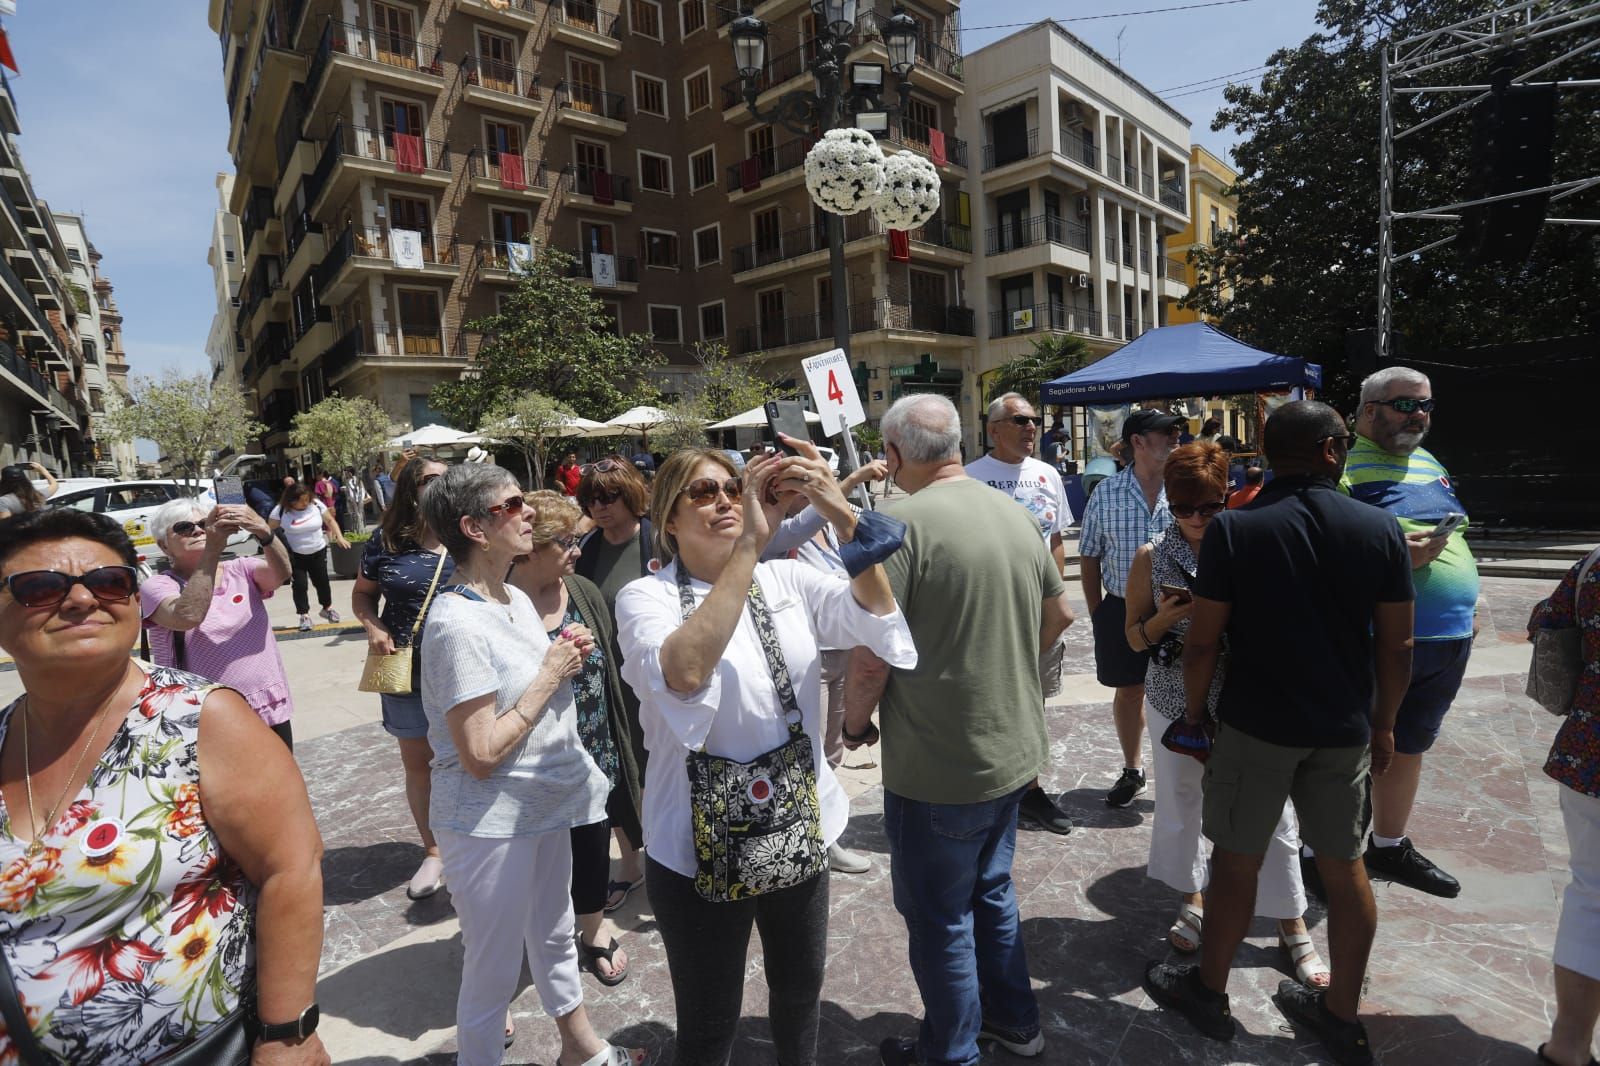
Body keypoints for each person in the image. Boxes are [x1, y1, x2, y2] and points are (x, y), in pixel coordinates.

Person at [615, 445, 914, 1066]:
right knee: (707, 1021)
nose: (724, 500)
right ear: (668, 519)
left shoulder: (788, 580)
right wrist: (752, 543)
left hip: (795, 824)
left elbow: (876, 616)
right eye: (703, 492)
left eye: (731, 487)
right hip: (692, 847)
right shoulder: (643, 598)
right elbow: (686, 671)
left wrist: (842, 514)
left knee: (800, 994)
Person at [0, 508, 329, 1064]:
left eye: (108, 582)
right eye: (40, 588)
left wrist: (287, 1035)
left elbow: (291, 868)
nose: (82, 600)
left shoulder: (203, 718)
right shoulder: (159, 585)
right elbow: (186, 613)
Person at [1142, 401, 1413, 1065]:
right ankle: (1341, 1014)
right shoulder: (1380, 528)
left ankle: (1209, 992)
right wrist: (1384, 723)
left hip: (1257, 726)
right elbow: (1399, 644)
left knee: (1236, 862)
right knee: (1344, 867)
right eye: (1343, 441)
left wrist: (1196, 716)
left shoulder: (1237, 530)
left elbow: (1202, 643)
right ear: (1327, 450)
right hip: (1342, 727)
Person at [844, 394, 1074, 1066]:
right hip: (1012, 751)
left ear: (892, 455)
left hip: (940, 765)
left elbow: (868, 660)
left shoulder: (893, 526)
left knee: (941, 917)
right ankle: (1017, 1023)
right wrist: (1002, 666)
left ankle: (951, 1054)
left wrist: (856, 728)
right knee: (991, 893)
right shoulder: (1013, 510)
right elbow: (1059, 615)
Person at [418, 464, 646, 1066]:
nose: (529, 513)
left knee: (553, 933)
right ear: (474, 527)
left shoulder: (514, 597)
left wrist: (563, 652)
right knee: (492, 973)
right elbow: (482, 753)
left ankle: (583, 1052)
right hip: (489, 822)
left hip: (547, 804)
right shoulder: (454, 624)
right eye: (512, 504)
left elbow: (533, 686)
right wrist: (550, 674)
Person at [1123, 442, 1326, 986]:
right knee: (1182, 802)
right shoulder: (1152, 554)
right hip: (1172, 698)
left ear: (1226, 498)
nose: (1194, 519)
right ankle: (1193, 900)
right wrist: (1164, 620)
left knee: (1274, 816)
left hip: (1246, 701)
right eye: (1183, 506)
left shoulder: (1251, 545)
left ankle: (1292, 923)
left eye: (1208, 507)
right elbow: (1134, 638)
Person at [1330, 366, 1477, 899]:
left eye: (1426, 406)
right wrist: (1393, 558)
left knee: (1410, 745)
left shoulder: (1429, 461)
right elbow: (1325, 548)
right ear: (1369, 408)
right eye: (1405, 405)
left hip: (1446, 640)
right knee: (1350, 753)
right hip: (1377, 638)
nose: (1419, 416)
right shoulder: (1341, 463)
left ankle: (1388, 846)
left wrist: (1466, 606)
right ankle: (1325, 857)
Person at [510, 491, 645, 988]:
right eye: (565, 541)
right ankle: (530, 935)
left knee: (592, 841)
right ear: (527, 548)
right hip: (532, 756)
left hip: (594, 743)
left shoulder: (582, 589)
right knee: (536, 852)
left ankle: (591, 928)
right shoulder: (502, 601)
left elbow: (612, 666)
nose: (577, 548)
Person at [759, 457, 891, 876]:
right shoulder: (776, 537)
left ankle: (825, 832)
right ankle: (808, 834)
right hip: (805, 654)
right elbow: (803, 523)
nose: (802, 492)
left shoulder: (833, 531)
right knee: (807, 745)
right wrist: (850, 480)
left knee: (831, 748)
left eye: (809, 484)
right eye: (795, 486)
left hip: (843, 649)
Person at [966, 392, 1075, 835]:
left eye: (1035, 419)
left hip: (1038, 611)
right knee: (987, 699)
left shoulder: (1047, 474)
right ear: (994, 430)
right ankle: (989, 784)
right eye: (1020, 420)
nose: (1032, 427)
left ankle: (1029, 789)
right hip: (989, 613)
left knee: (1034, 698)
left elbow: (1056, 542)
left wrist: (1055, 597)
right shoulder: (971, 478)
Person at [350, 456, 455, 900]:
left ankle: (477, 843)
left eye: (446, 479)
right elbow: (361, 594)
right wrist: (372, 626)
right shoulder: (386, 540)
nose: (440, 486)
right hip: (406, 669)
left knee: (479, 758)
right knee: (420, 765)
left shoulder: (472, 532)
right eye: (430, 479)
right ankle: (434, 851)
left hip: (465, 669)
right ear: (411, 489)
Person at [1078, 409, 1184, 808]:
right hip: (1121, 609)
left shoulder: (1186, 488)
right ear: (1138, 441)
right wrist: (1097, 612)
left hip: (1179, 612)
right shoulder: (1106, 492)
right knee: (1129, 691)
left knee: (1185, 691)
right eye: (1166, 432)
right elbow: (1088, 556)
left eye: (1178, 430)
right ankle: (1133, 768)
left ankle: (1181, 771)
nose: (1176, 437)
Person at [141, 497, 298, 749]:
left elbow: (280, 574)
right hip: (206, 717)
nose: (198, 530)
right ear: (163, 546)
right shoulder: (158, 586)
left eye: (204, 523)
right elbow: (188, 616)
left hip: (267, 705)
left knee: (280, 784)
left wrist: (264, 532)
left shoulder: (241, 569)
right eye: (184, 527)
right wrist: (212, 550)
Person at [1529, 551, 1600, 1066]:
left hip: (1591, 752)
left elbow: (1546, 623)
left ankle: (1569, 1045)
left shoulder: (1594, 564)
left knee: (1592, 897)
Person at [573, 458, 654, 908]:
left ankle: (675, 851)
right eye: (590, 499)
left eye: (608, 497)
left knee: (664, 767)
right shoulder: (586, 547)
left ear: (630, 494)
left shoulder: (661, 538)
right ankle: (630, 859)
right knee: (617, 771)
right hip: (608, 682)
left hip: (656, 680)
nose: (599, 507)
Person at [270, 481, 351, 632]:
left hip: (318, 551)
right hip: (295, 555)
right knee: (300, 585)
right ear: (291, 500)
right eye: (301, 501)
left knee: (322, 582)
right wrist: (272, 549)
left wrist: (339, 537)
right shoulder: (280, 511)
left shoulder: (316, 505)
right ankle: (304, 615)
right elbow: (269, 529)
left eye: (306, 500)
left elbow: (329, 520)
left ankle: (327, 608)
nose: (304, 504)